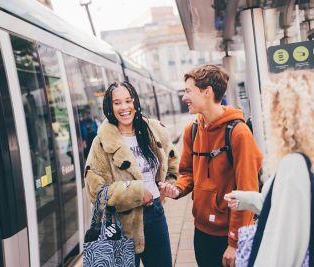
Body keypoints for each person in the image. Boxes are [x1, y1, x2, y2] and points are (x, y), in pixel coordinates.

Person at [160, 64, 263, 267]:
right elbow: (188, 172)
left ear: (207, 92)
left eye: (188, 91)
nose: (184, 97)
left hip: (228, 236)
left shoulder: (239, 133)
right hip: (201, 232)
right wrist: (177, 188)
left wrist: (234, 242)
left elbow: (247, 192)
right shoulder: (192, 130)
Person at [84, 81, 180, 267]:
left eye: (128, 100)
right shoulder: (101, 143)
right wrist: (136, 192)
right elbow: (96, 191)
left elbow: (172, 160)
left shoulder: (153, 131)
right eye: (117, 102)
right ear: (109, 107)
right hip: (120, 224)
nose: (125, 107)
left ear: (135, 102)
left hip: (155, 215)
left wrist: (168, 183)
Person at [224, 70, 313, 266]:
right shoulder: (306, 161)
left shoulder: (293, 165)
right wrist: (247, 199)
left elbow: (278, 242)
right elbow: (289, 207)